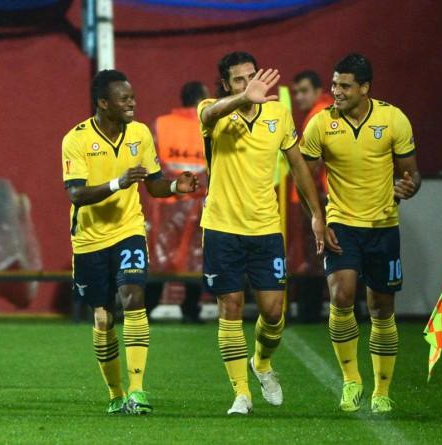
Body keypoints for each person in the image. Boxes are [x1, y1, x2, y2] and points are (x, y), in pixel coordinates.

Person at [62, 69, 198, 415]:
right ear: (103, 103)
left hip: (129, 230)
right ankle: (116, 393)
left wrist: (174, 187)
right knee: (104, 318)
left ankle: (137, 391)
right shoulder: (76, 139)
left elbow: (153, 183)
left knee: (134, 298)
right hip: (90, 239)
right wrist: (117, 183)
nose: (132, 103)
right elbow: (76, 194)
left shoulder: (139, 134)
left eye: (133, 97)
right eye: (124, 98)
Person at [198, 51, 326, 415]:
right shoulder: (214, 111)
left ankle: (262, 362)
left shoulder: (277, 114)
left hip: (266, 228)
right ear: (226, 85)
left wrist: (317, 214)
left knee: (272, 313)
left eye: (251, 76)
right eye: (239, 79)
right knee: (231, 307)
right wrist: (243, 97)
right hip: (222, 227)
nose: (248, 83)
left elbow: (298, 165)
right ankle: (242, 394)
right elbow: (208, 115)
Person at [300, 53, 421, 413]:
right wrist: (318, 218)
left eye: (345, 86)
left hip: (383, 227)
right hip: (341, 223)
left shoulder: (393, 118)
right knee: (341, 296)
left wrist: (409, 186)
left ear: (365, 88)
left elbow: (412, 173)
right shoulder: (321, 123)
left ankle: (382, 391)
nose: (336, 91)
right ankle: (351, 380)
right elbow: (303, 176)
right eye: (334, 84)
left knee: (381, 307)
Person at [147, 81, 209, 323]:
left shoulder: (161, 124)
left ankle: (148, 306)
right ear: (201, 99)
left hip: (167, 202)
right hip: (198, 203)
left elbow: (152, 163)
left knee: (160, 257)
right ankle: (190, 309)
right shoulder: (209, 125)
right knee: (194, 257)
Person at [288, 70, 335, 322]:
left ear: (318, 91)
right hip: (329, 194)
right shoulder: (328, 112)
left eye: (304, 91)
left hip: (322, 195)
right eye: (296, 92)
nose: (299, 97)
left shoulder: (319, 115)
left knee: (316, 251)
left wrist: (312, 200)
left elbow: (310, 167)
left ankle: (310, 309)